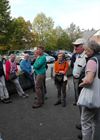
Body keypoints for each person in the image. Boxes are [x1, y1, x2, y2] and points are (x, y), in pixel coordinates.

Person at [78, 40, 100, 140]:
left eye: (86, 50)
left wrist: (80, 84)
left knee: (85, 122)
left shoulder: (92, 60)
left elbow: (89, 80)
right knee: (96, 121)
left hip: (91, 97)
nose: (85, 52)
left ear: (92, 49)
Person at [72, 38, 87, 106]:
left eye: (77, 45)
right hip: (75, 79)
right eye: (74, 45)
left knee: (82, 98)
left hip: (81, 81)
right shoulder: (77, 55)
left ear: (83, 46)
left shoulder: (86, 57)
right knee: (77, 93)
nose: (75, 47)